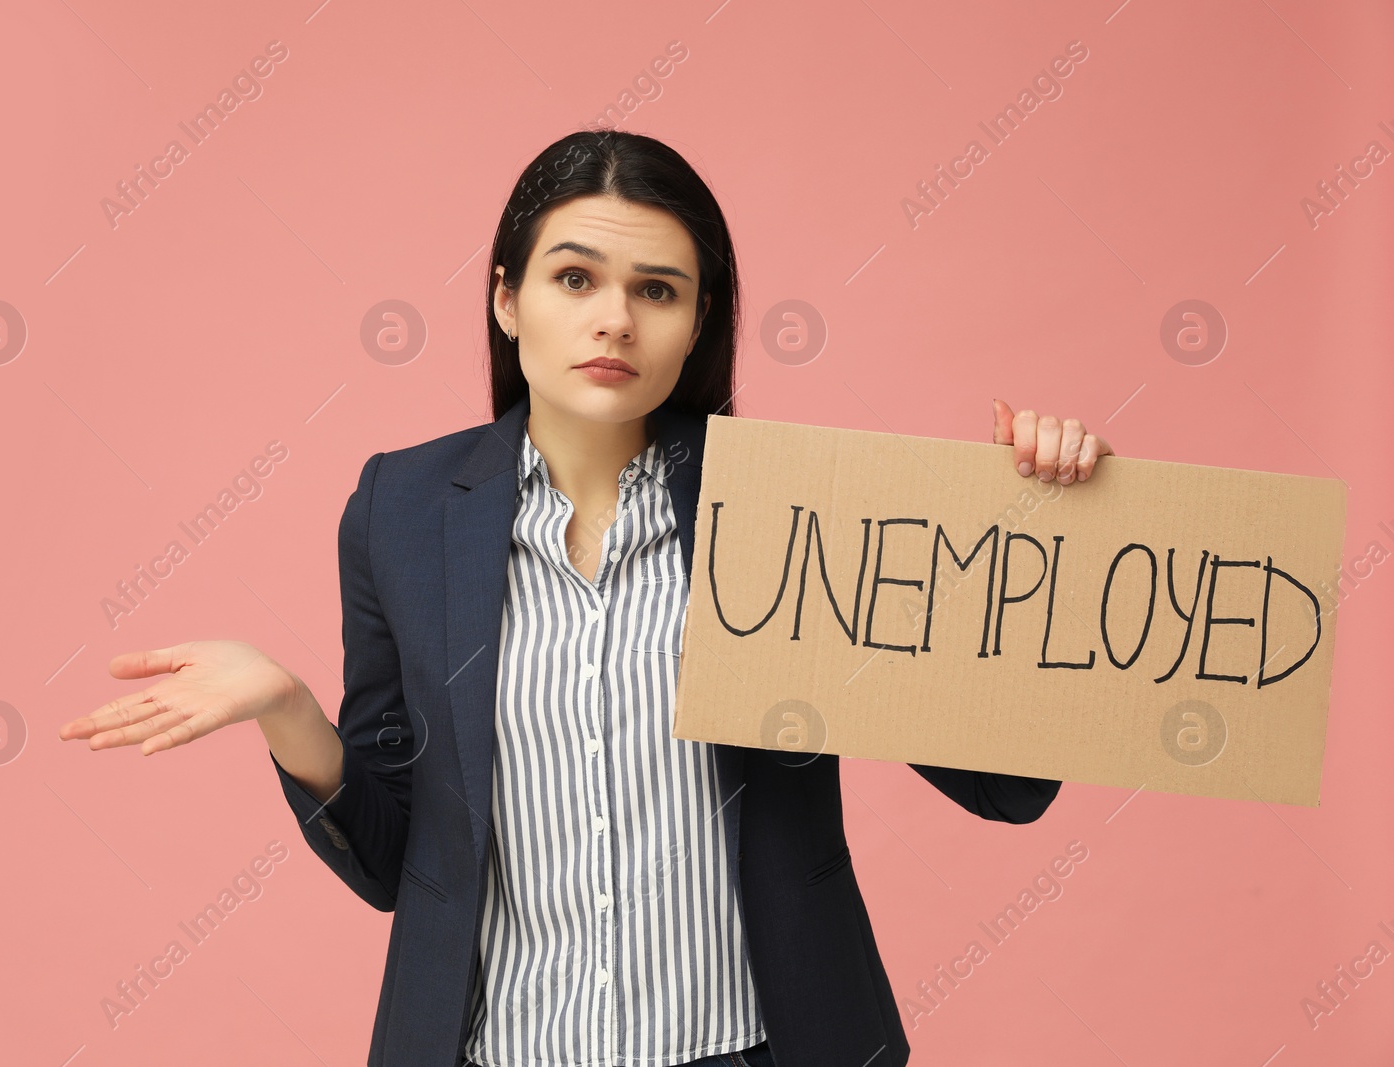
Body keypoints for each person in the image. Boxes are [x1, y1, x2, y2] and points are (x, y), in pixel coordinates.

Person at [60, 129, 1116, 1067]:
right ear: (507, 297)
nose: (614, 318)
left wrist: (1031, 538)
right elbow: (394, 863)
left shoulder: (791, 506)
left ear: (698, 324)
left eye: (658, 290)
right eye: (575, 278)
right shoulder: (400, 509)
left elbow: (1005, 787)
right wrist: (287, 707)